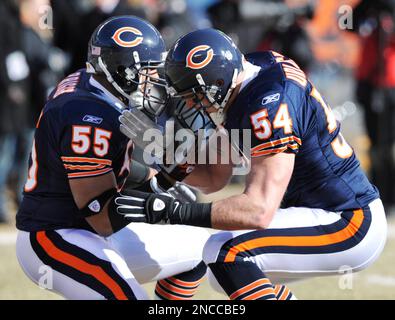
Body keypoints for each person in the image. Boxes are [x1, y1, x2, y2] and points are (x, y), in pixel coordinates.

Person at [118, 28, 387, 300]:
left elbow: (257, 211)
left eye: (193, 95)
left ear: (218, 83)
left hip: (347, 219)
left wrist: (173, 211)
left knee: (227, 253)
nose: (190, 104)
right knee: (220, 272)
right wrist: (163, 149)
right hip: (319, 211)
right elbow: (214, 178)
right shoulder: (246, 79)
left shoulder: (267, 104)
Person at [15, 16, 210, 300]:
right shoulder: (88, 116)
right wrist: (161, 188)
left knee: (199, 248)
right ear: (122, 70)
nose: (155, 80)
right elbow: (101, 217)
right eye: (148, 71)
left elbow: (108, 163)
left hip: (87, 228)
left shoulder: (95, 88)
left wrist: (151, 176)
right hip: (55, 235)